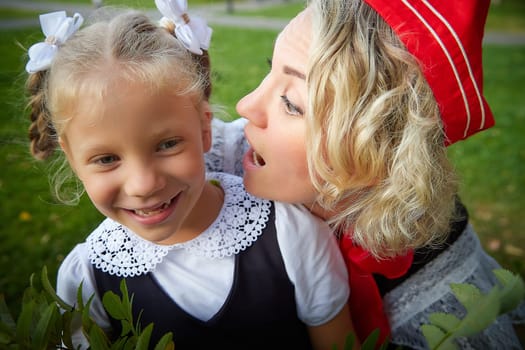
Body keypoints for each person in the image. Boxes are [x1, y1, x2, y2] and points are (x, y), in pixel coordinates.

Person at [23, 5, 355, 350]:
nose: (143, 184)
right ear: (72, 158)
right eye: (106, 159)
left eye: (167, 144)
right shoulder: (86, 281)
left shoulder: (292, 234)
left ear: (205, 129)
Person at [205, 0, 525, 348]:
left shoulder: (438, 291)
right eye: (271, 69)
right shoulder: (222, 160)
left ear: (374, 149)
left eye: (292, 104)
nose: (246, 105)